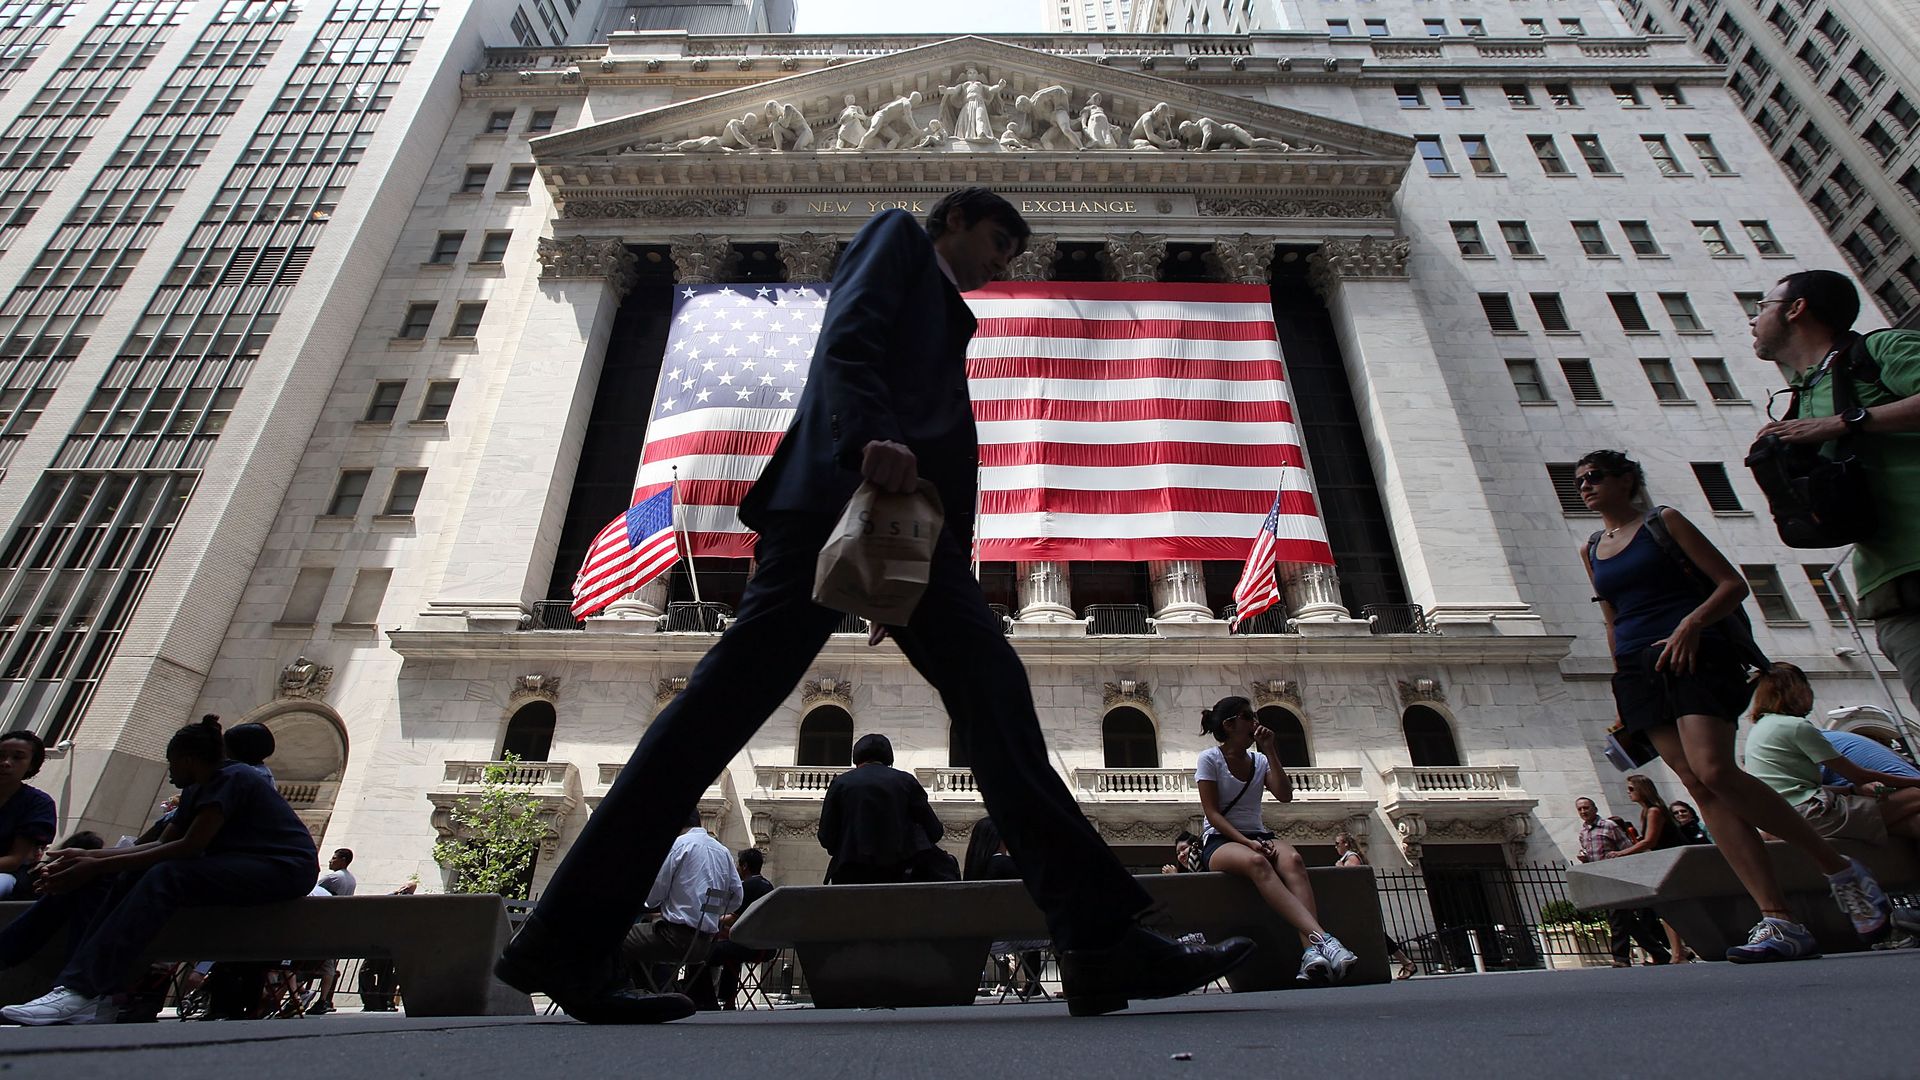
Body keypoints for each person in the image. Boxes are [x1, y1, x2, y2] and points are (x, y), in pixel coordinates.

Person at [494, 188, 1252, 1023]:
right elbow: (845, 343)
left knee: (994, 701)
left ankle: (1101, 944)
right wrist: (866, 441)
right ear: (955, 219)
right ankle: (564, 944)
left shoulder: (948, 307)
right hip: (840, 503)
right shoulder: (896, 235)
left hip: (904, 538)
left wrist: (907, 575)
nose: (1005, 262)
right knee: (710, 717)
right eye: (1000, 240)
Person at [1578, 448, 1891, 962]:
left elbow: (1732, 584)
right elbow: (1613, 619)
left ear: (1626, 480)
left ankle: (1837, 868)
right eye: (1580, 480)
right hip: (1640, 670)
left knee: (1716, 769)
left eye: (1595, 477)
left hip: (1697, 654)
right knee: (1700, 787)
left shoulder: (1665, 522)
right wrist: (1620, 682)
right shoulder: (1591, 548)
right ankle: (1778, 918)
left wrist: (1691, 624)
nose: (1585, 486)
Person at [0, 716, 318, 1025]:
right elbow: (157, 845)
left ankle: (80, 990)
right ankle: (71, 985)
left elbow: (187, 848)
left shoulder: (234, 778)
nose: (168, 773)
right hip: (239, 866)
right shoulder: (197, 789)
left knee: (167, 874)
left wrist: (94, 861)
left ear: (189, 760)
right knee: (106, 878)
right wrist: (88, 859)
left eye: (171, 762)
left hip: (283, 869)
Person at [1750, 270, 1920, 710]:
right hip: (1890, 594)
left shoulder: (1878, 350)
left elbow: (1848, 422)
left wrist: (1845, 421)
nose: (1753, 321)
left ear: (1795, 308)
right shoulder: (1800, 398)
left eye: (1762, 306)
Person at [1194, 695, 1357, 984]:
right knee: (1258, 862)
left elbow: (1284, 795)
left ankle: (1311, 953)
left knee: (1293, 859)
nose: (1255, 721)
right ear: (1231, 724)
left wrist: (1270, 751)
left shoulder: (1258, 760)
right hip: (1221, 841)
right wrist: (1247, 843)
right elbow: (1212, 814)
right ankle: (1324, 940)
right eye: (1248, 716)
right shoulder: (1210, 759)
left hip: (1259, 834)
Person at [1744, 663, 1920, 846]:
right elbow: (1860, 775)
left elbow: (1796, 790)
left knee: (1910, 823)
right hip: (1812, 815)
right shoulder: (1797, 727)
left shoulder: (1760, 730)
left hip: (1783, 817)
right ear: (1800, 690)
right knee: (1915, 795)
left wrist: (1853, 790)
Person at [620, 810, 742, 993]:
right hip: (706, 943)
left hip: (676, 939)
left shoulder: (679, 845)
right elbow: (736, 898)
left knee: (614, 938)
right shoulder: (722, 851)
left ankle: (626, 992)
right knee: (643, 935)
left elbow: (654, 895)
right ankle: (652, 990)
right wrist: (707, 909)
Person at [817, 734, 948, 884]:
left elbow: (826, 835)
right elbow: (935, 831)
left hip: (850, 874)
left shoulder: (841, 783)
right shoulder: (906, 781)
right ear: (888, 759)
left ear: (856, 758)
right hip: (899, 875)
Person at [1575, 797, 1671, 967]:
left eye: (1586, 807)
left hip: (1616, 876)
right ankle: (1659, 953)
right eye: (1580, 809)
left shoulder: (1609, 826)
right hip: (1600, 877)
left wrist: (1619, 856)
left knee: (1616, 917)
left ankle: (1621, 958)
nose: (1583, 811)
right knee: (1628, 921)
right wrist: (1585, 859)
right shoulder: (1584, 832)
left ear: (1595, 808)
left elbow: (1626, 846)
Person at [1609, 775, 1695, 961]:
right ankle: (1679, 950)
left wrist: (1622, 853)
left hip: (1671, 859)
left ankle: (1678, 953)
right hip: (1663, 859)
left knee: (1669, 907)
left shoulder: (1654, 811)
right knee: (1666, 908)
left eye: (1631, 789)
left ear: (1642, 790)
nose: (1628, 792)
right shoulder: (1646, 812)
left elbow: (1651, 840)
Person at [685, 848, 774, 1011]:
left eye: (738, 866)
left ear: (744, 866)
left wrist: (711, 918)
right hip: (767, 947)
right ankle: (727, 1000)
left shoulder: (746, 886)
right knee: (728, 953)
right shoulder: (768, 885)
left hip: (750, 947)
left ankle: (707, 1000)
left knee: (701, 953)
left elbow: (732, 917)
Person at [1331, 832, 1416, 979]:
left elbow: (1352, 879)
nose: (1336, 847)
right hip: (1356, 904)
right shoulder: (1351, 857)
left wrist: (1339, 868)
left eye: (1337, 843)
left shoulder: (1351, 858)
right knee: (1370, 934)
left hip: (1358, 905)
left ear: (1346, 844)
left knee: (1372, 934)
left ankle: (1406, 962)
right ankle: (1404, 962)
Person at [0, 730, 57, 900]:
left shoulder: (38, 803)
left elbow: (14, 860)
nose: (5, 763)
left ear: (31, 765)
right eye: (0, 755)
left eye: (18, 757)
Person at [1820, 730, 1920, 788]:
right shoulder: (1832, 735)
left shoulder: (1816, 744)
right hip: (1908, 780)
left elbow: (1862, 777)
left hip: (1900, 787)